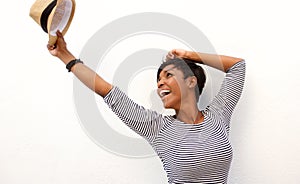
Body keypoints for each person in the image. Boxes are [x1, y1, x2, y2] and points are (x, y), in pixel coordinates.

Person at [47, 30, 246, 184]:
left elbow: (237, 66)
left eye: (168, 75)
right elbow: (107, 91)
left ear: (191, 82)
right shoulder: (158, 128)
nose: (160, 83)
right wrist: (66, 56)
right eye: (158, 79)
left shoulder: (218, 115)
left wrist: (189, 55)